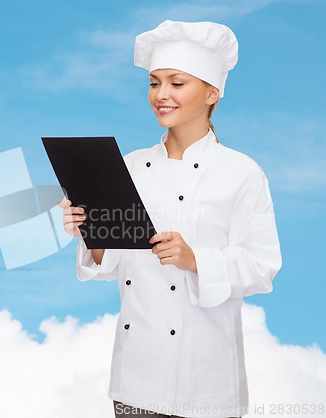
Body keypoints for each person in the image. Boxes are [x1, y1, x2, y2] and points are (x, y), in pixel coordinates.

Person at [58, 20, 282, 418]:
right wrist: (90, 231)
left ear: (212, 91)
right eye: (154, 82)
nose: (161, 95)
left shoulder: (241, 172)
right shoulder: (130, 167)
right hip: (135, 380)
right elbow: (113, 264)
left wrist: (194, 258)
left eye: (177, 83)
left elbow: (262, 267)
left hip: (207, 383)